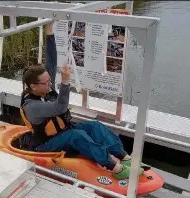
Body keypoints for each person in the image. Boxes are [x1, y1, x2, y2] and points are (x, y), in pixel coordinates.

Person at [19, 23, 143, 180]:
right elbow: (60, 107)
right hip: (46, 144)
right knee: (76, 135)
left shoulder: (43, 86)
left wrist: (49, 29)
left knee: (94, 126)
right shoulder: (32, 106)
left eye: (50, 80)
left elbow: (51, 59)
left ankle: (123, 156)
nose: (50, 84)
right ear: (33, 87)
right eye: (46, 83)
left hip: (62, 132)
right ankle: (115, 167)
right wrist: (65, 82)